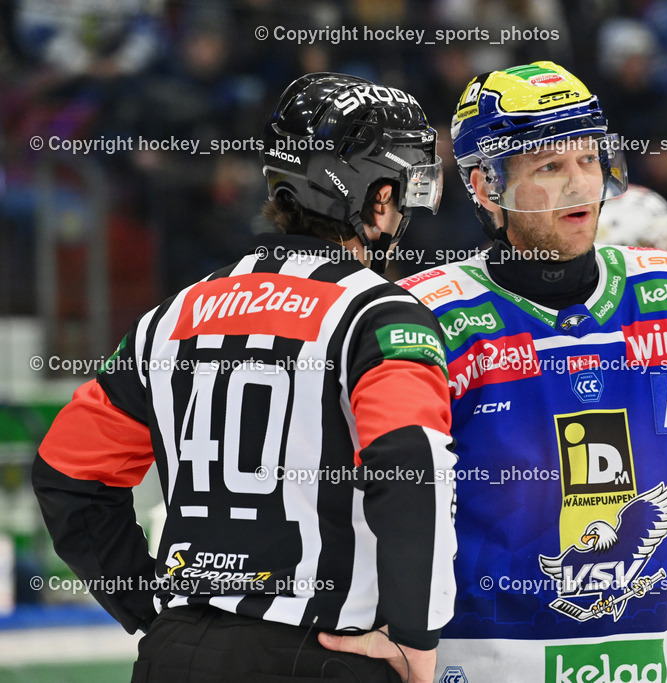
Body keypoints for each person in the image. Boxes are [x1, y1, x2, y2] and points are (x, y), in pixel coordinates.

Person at [32, 72, 455, 683]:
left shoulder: (170, 314)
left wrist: (148, 609)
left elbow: (67, 472)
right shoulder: (378, 313)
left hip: (177, 655)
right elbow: (410, 463)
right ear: (379, 199)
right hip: (328, 654)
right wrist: (416, 635)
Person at [388, 61, 667, 682]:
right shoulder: (428, 316)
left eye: (588, 159)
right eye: (549, 167)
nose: (581, 185)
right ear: (485, 185)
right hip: (491, 659)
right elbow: (395, 511)